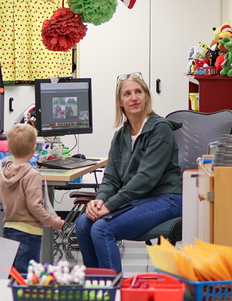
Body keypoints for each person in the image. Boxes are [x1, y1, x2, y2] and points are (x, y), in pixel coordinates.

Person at [74, 73, 183, 273]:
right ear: (120, 102)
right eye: (127, 94)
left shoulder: (160, 130)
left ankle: (111, 292)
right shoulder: (121, 136)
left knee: (102, 228)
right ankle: (97, 288)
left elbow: (145, 180)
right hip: (139, 200)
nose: (134, 97)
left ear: (147, 97)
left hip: (168, 199)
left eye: (138, 92)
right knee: (83, 223)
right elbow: (111, 178)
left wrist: (110, 205)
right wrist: (100, 200)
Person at [0, 124, 65, 274]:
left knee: (13, 274)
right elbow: (35, 206)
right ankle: (27, 298)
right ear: (33, 149)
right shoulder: (32, 175)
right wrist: (53, 222)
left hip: (9, 228)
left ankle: (13, 297)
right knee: (28, 276)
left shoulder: (5, 173)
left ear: (9, 147)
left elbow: (3, 199)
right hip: (28, 233)